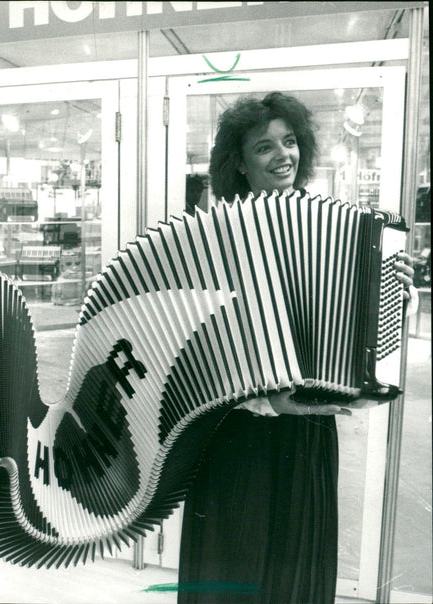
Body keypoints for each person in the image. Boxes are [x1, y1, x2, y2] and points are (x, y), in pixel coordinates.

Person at [177, 92, 416, 603]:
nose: (283, 155)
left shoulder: (336, 225)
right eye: (263, 147)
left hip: (308, 428)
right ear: (239, 164)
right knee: (233, 569)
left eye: (289, 141)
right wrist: (265, 399)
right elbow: (196, 352)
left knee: (297, 572)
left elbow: (362, 318)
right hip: (235, 434)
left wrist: (395, 288)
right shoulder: (211, 235)